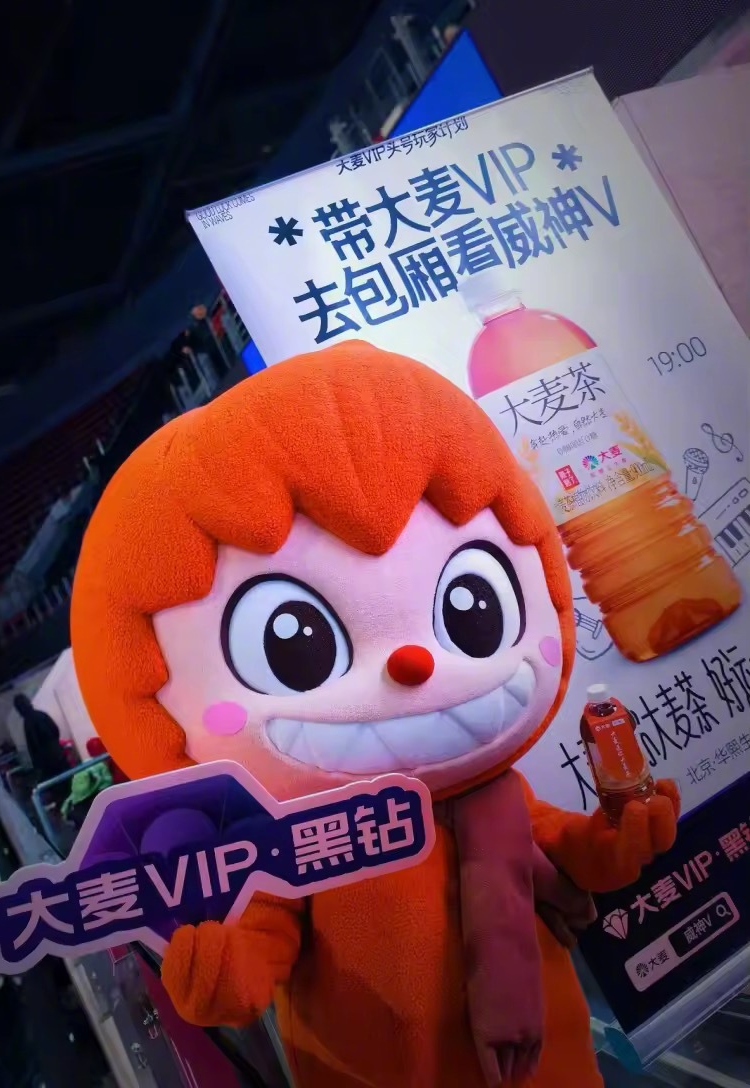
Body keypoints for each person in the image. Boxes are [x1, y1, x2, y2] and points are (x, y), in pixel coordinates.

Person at [71, 341, 679, 1088]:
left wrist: (622, 834)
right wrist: (222, 970)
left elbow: (575, 852)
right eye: (293, 645)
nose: (412, 664)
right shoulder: (297, 843)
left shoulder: (499, 798)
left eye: (472, 608)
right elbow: (262, 935)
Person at [13, 694, 70, 782]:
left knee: (58, 785)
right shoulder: (41, 714)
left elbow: (34, 747)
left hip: (47, 763)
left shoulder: (27, 723)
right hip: (58, 754)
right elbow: (56, 730)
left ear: (19, 709)